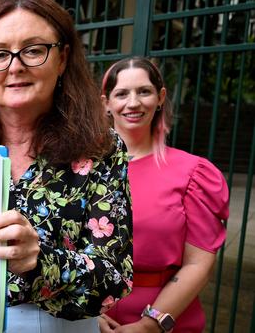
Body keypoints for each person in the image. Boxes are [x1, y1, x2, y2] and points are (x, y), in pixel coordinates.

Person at [0, 0, 133, 331]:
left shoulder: (100, 145)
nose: (15, 66)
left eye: (33, 50)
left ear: (63, 58)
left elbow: (115, 277)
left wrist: (40, 263)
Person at [98, 57, 229, 332]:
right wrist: (86, 315)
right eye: (121, 93)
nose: (133, 103)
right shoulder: (82, 169)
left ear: (160, 97)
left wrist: (149, 325)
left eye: (143, 91)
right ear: (106, 103)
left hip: (167, 320)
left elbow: (199, 264)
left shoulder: (192, 173)